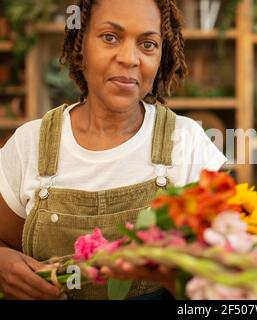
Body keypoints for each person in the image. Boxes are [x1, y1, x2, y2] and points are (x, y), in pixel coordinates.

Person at [0, 0, 227, 300]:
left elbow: (222, 280)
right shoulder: (30, 144)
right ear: (81, 48)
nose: (129, 58)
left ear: (162, 55)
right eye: (110, 37)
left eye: (147, 44)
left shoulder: (188, 144)